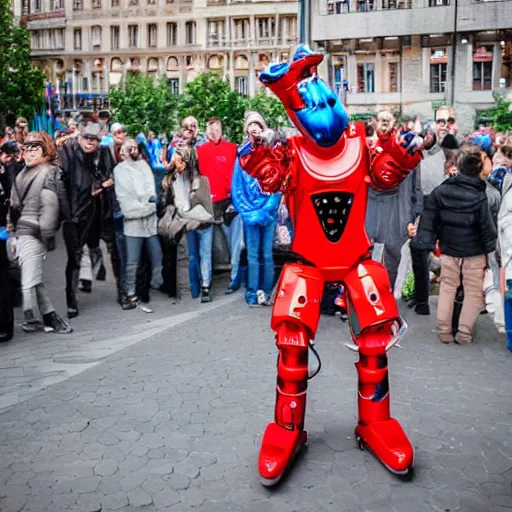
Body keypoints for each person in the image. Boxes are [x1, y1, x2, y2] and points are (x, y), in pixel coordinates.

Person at [414, 144, 497, 344]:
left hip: (449, 249)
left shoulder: (441, 191)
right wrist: (492, 253)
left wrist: (424, 242)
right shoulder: (480, 195)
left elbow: (428, 220)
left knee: (448, 288)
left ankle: (444, 332)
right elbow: (487, 227)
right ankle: (464, 333)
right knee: (472, 292)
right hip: (474, 252)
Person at [7, 132, 71, 334]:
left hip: (33, 232)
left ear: (45, 150)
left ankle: (36, 318)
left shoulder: (49, 172)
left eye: (36, 146)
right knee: (32, 277)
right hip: (27, 231)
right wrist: (12, 234)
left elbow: (52, 205)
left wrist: (46, 234)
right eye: (27, 146)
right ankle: (42, 317)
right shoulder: (24, 174)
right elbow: (14, 206)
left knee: (30, 277)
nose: (30, 151)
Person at [59, 122, 119, 318]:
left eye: (93, 139)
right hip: (76, 212)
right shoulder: (68, 151)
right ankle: (71, 301)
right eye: (86, 138)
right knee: (74, 257)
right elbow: (62, 179)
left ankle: (123, 292)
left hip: (98, 210)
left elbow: (111, 177)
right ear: (79, 138)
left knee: (102, 246)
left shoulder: (104, 153)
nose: (89, 142)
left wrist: (102, 184)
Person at [365, 110, 423, 289]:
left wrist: (415, 216)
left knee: (392, 259)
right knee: (365, 258)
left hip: (399, 215)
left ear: (394, 123)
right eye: (381, 120)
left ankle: (385, 296)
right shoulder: (367, 149)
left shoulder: (407, 150)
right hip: (371, 213)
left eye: (388, 120)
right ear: (374, 122)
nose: (384, 124)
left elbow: (416, 187)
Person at [409, 106, 458, 315]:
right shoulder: (424, 150)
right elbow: (415, 184)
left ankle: (456, 305)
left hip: (453, 211)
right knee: (418, 249)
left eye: (449, 120)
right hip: (427, 208)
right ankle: (422, 301)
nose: (444, 124)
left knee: (455, 257)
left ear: (454, 124)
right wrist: (413, 214)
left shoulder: (462, 149)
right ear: (434, 124)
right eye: (440, 121)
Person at [232, 111, 281, 307]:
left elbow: (278, 184)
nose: (254, 129)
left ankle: (267, 292)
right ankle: (252, 292)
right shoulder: (241, 156)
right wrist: (248, 212)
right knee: (253, 255)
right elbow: (236, 188)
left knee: (267, 254)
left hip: (267, 212)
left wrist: (267, 209)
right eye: (251, 125)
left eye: (258, 125)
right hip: (251, 214)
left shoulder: (273, 153)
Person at [114, 139, 163, 310]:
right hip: (133, 224)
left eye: (135, 147)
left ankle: (154, 285)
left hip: (149, 224)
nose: (133, 150)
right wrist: (147, 206)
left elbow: (151, 193)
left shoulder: (144, 166)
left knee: (157, 256)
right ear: (122, 153)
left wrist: (147, 204)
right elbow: (127, 202)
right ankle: (130, 293)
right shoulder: (119, 170)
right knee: (132, 261)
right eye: (129, 148)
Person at [197, 118, 242, 294]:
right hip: (208, 204)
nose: (214, 132)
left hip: (228, 203)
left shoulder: (232, 149)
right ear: (207, 131)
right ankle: (206, 284)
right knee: (205, 247)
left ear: (221, 129)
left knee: (234, 245)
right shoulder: (200, 151)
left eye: (217, 128)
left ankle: (234, 278)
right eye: (211, 129)